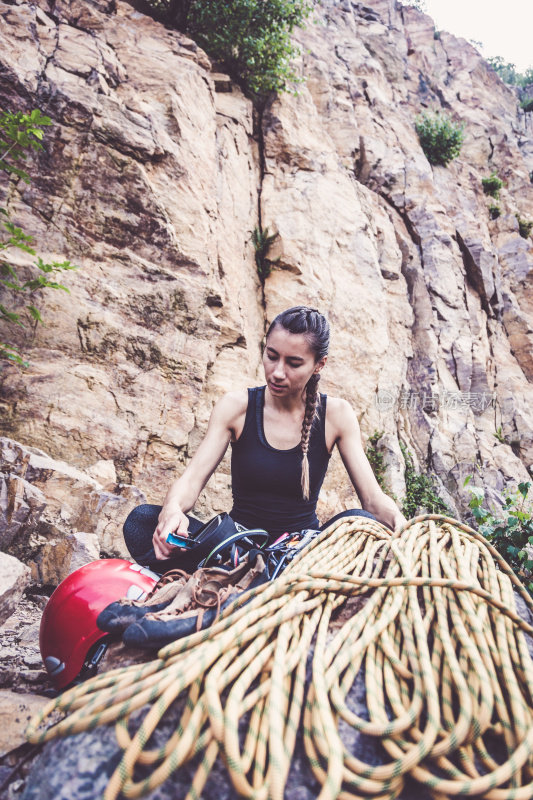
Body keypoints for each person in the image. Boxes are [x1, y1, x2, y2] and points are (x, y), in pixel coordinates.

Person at [123, 306, 406, 572]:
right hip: (236, 548)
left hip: (302, 552)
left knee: (363, 523)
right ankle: (259, 575)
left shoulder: (337, 415)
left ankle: (266, 576)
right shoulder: (236, 407)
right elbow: (191, 480)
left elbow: (372, 499)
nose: (278, 372)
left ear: (319, 365)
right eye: (272, 356)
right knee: (142, 521)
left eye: (294, 363)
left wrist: (403, 527)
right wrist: (171, 512)